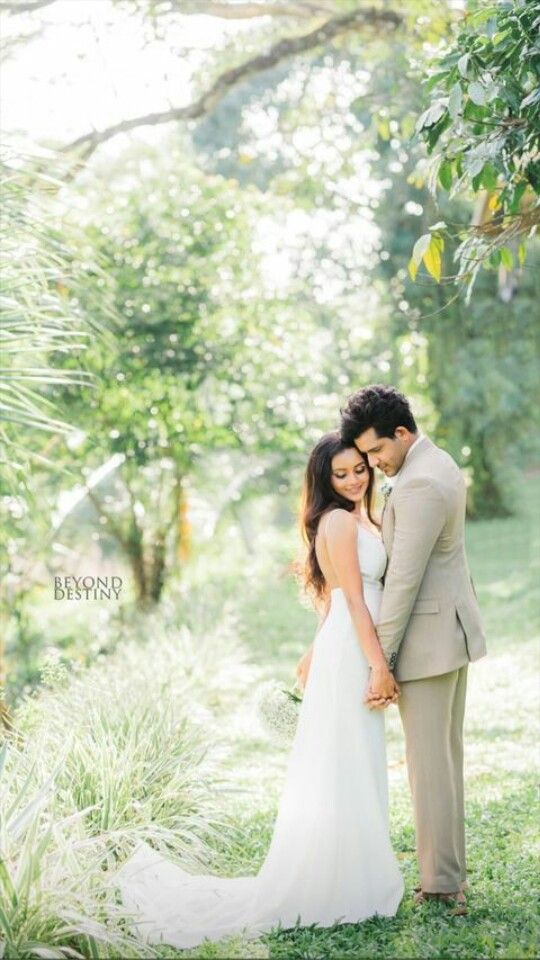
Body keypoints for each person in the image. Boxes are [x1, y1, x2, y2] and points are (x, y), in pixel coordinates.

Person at [108, 431, 404, 949]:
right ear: (324, 481)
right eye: (342, 473)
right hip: (356, 649)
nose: (355, 478)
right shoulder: (336, 520)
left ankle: (358, 871)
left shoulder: (364, 517)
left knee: (355, 760)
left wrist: (316, 652)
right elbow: (353, 602)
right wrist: (379, 667)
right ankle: (339, 882)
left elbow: (336, 602)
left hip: (348, 645)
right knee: (346, 761)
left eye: (360, 468)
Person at [336, 384, 487, 916]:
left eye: (377, 452)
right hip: (448, 634)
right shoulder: (436, 462)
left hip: (428, 644)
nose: (373, 464)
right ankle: (448, 875)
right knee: (442, 761)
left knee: (430, 767)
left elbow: (402, 579)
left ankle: (442, 884)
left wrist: (383, 659)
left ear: (402, 433)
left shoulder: (420, 483)